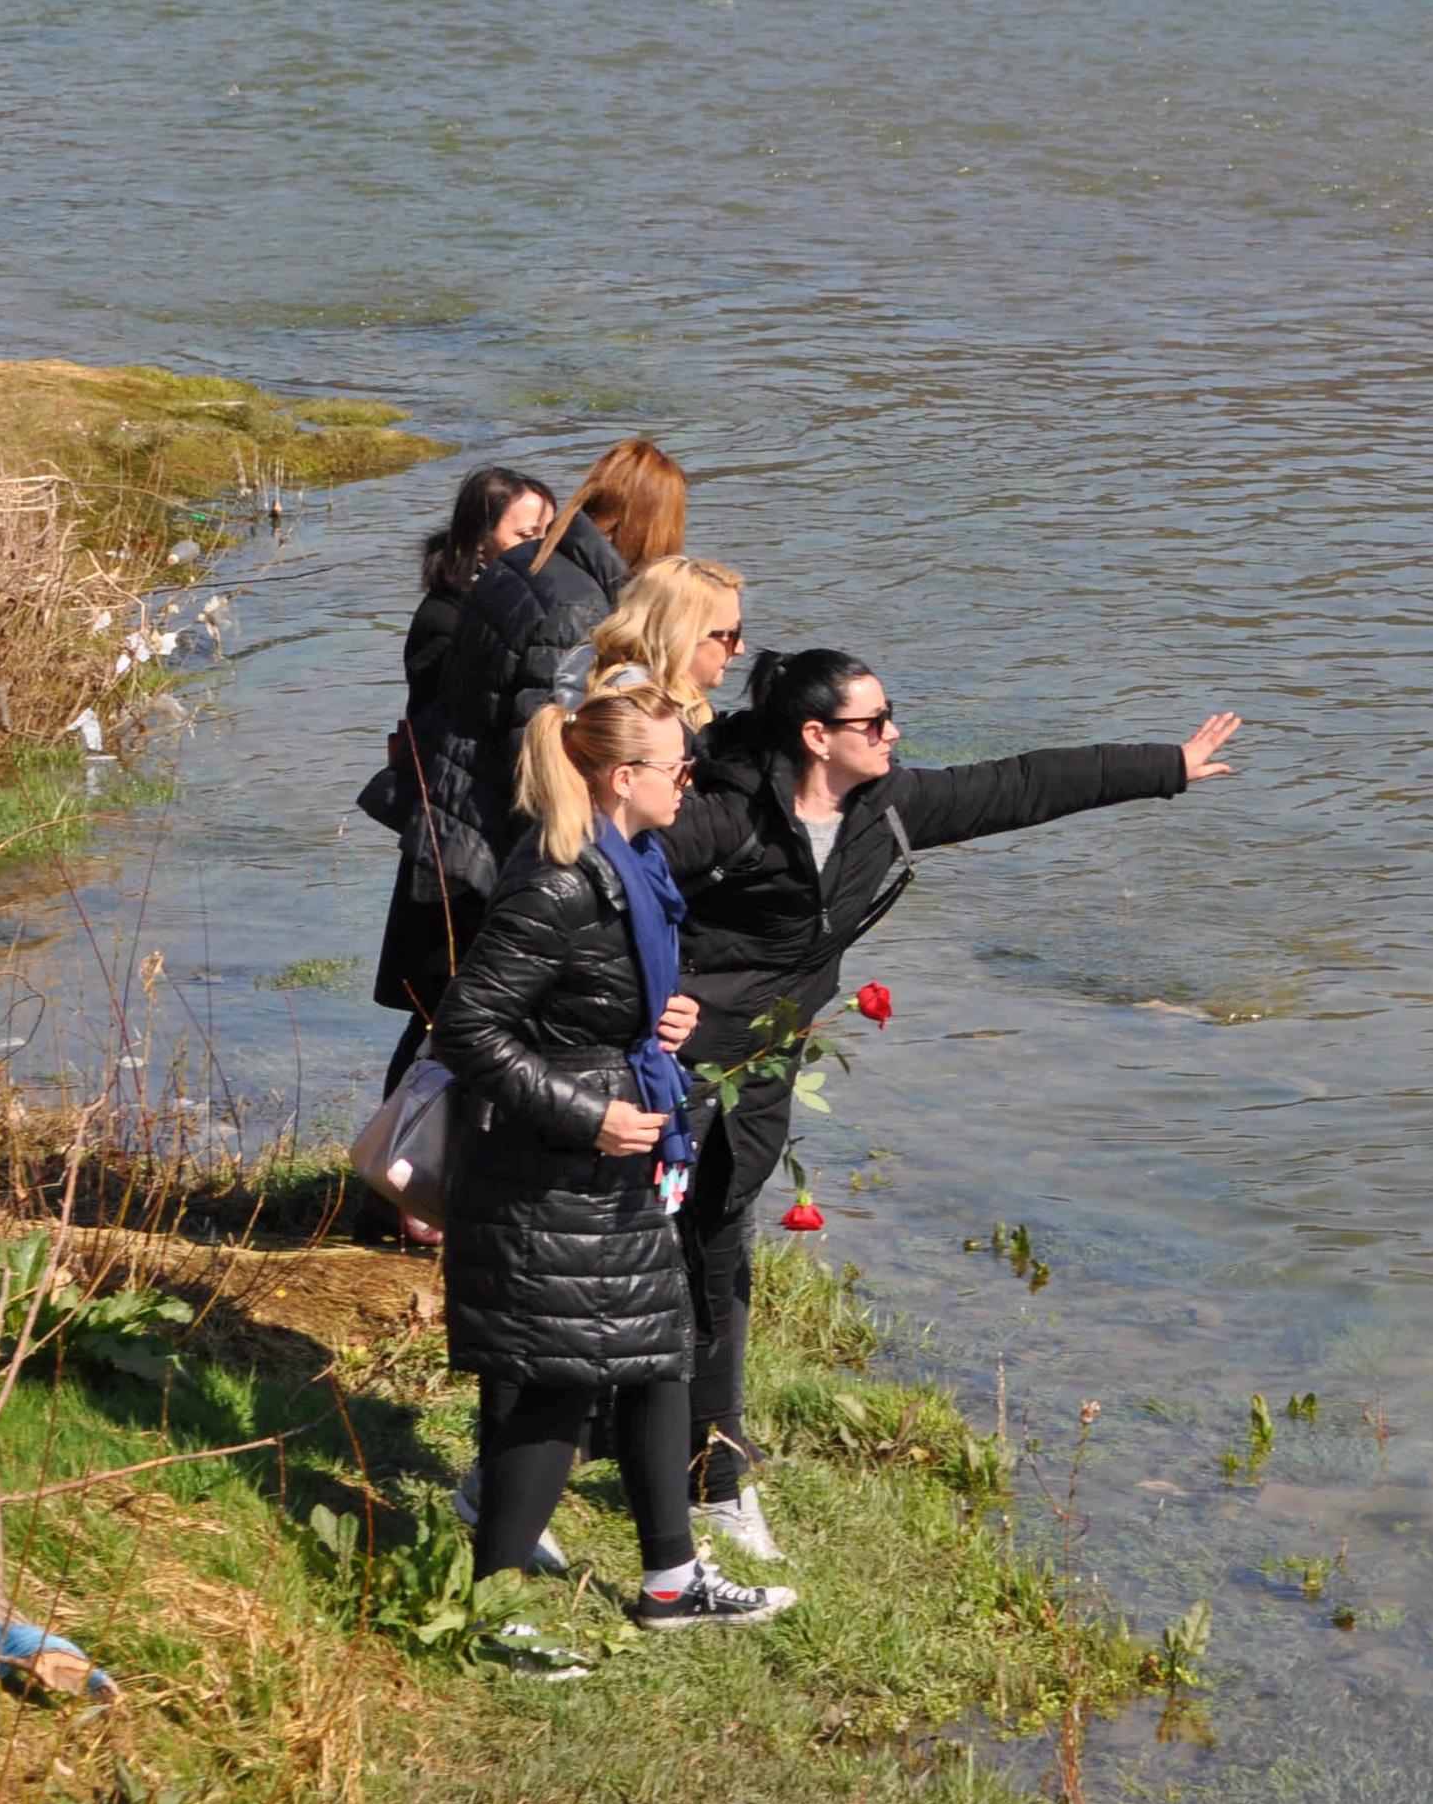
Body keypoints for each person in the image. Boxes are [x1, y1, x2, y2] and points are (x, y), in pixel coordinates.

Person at [655, 649, 1242, 1562]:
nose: (894, 734)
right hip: (663, 1068)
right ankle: (539, 1455)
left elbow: (1016, 787)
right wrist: (643, 993)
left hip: (761, 1070)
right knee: (635, 1257)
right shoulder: (723, 815)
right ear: (817, 737)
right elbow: (591, 877)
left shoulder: (882, 810)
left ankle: (713, 1475)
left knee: (724, 1257)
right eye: (874, 723)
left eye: (892, 717)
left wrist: (1164, 767)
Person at [430, 680, 794, 1629]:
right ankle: (491, 1611)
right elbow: (468, 1027)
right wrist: (586, 1112)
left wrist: (661, 1018)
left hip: (610, 1171)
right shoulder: (559, 879)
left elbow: (585, 1004)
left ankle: (669, 1581)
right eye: (678, 767)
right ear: (623, 776)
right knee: (562, 1385)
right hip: (552, 1174)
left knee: (656, 1360)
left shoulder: (630, 866)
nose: (691, 781)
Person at [374, 465, 555, 1100]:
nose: (538, 545)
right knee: (439, 1006)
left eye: (547, 532)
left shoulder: (520, 606)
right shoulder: (445, 620)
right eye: (524, 531)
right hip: (451, 834)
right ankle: (392, 1159)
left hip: (493, 827)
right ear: (480, 537)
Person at [431, 438, 692, 863]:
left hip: (452, 811)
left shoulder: (528, 561)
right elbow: (540, 741)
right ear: (653, 526)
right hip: (491, 839)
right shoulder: (579, 608)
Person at [583, 556, 748, 716]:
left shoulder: (618, 689)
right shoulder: (639, 712)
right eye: (733, 633)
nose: (740, 648)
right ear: (685, 636)